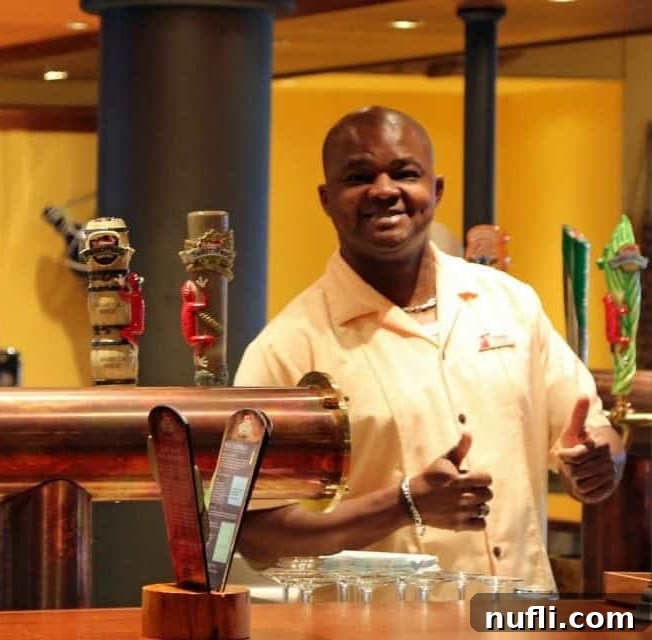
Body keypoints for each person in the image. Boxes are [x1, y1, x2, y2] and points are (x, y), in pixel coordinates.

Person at [234, 106, 624, 589]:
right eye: (358, 176)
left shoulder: (511, 304)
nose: (384, 190)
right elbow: (254, 534)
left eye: (405, 173)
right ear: (326, 199)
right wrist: (403, 506)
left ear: (435, 191)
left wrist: (599, 460)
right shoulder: (286, 350)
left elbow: (594, 436)